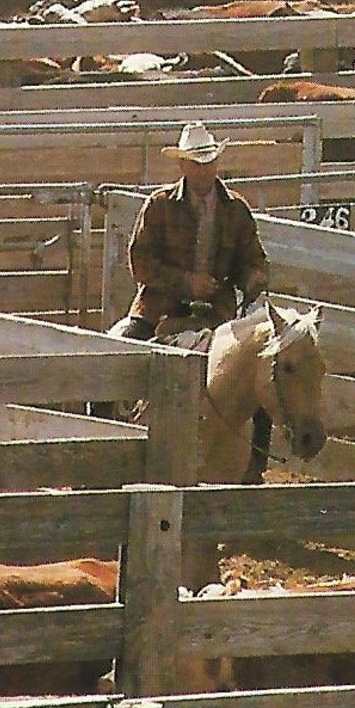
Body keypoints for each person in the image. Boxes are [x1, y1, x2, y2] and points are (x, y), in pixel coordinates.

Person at [106, 121, 276, 481]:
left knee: (261, 371)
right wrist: (186, 282)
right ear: (182, 166)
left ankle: (256, 465)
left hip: (219, 313)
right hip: (160, 308)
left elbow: (253, 259)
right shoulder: (160, 205)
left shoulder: (236, 210)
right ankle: (103, 449)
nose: (204, 170)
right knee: (116, 351)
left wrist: (252, 279)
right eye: (197, 163)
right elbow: (141, 263)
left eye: (209, 162)